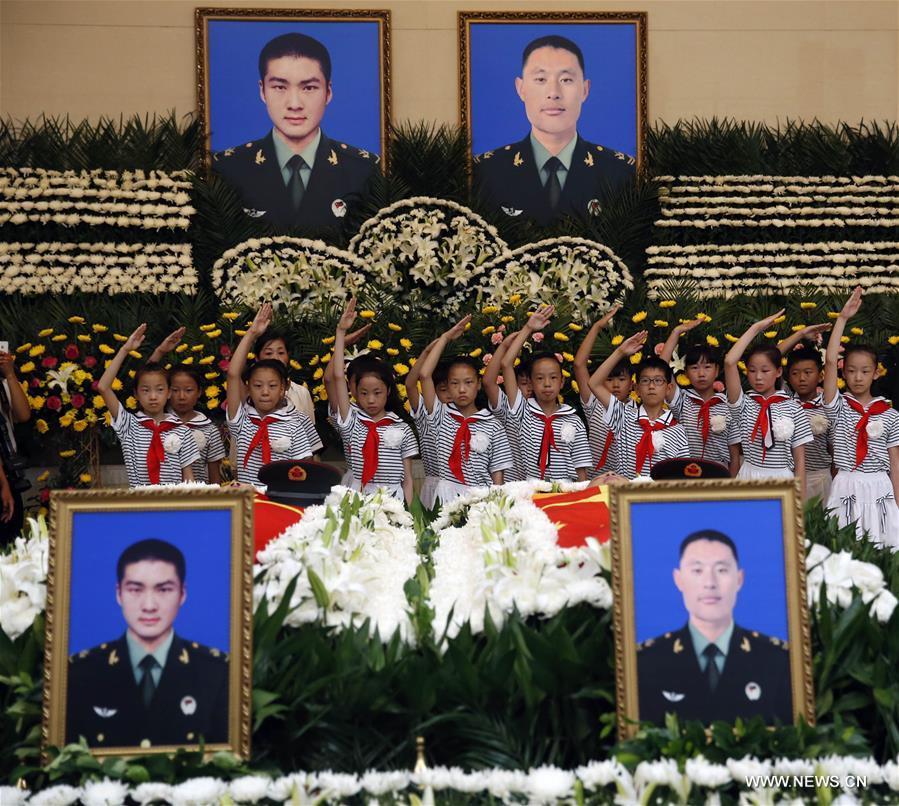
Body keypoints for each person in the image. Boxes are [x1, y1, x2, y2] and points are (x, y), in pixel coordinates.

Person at [66, 539, 228, 748]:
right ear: (119, 594)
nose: (149, 606)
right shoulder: (80, 673)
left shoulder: (216, 673)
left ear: (182, 594)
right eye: (135, 590)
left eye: (163, 590)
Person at [212, 32, 378, 233]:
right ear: (262, 91)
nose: (294, 104)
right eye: (279, 87)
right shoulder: (228, 168)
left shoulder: (363, 170)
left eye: (308, 88)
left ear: (328, 92)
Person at [473, 34, 635, 226]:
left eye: (566, 80)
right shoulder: (485, 173)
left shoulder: (620, 173)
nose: (553, 93)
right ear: (521, 88)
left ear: (585, 89)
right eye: (541, 79)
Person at [637, 529, 792, 725]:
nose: (710, 583)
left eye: (721, 570)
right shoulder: (647, 662)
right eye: (697, 570)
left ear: (739, 579)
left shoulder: (777, 660)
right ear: (678, 579)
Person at [823, 288, 899, 546]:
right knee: (845, 546)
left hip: (880, 486)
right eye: (852, 371)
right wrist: (842, 319)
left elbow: (895, 464)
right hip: (847, 483)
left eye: (864, 371)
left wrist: (897, 504)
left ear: (876, 374)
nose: (857, 377)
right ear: (845, 374)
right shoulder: (839, 407)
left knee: (884, 547)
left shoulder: (890, 415)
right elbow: (831, 361)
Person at [415, 318, 513, 503]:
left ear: (478, 385)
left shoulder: (493, 425)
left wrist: (495, 504)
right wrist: (445, 338)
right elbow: (424, 375)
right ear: (448, 387)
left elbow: (497, 472)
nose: (461, 389)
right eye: (454, 383)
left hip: (481, 497)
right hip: (446, 496)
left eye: (468, 382)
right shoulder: (440, 416)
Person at [333, 297, 418, 503]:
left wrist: (411, 513)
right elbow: (337, 377)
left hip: (393, 498)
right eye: (364, 393)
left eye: (377, 392)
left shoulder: (401, 428)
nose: (370, 399)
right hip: (359, 494)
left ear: (388, 391)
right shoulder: (352, 421)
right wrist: (340, 333)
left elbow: (407, 479)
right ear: (355, 392)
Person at [492, 305, 592, 482]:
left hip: (565, 493)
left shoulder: (574, 420)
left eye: (553, 378)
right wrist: (528, 328)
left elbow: (581, 468)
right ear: (530, 383)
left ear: (562, 382)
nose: (547, 384)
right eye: (539, 378)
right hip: (528, 494)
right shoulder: (521, 411)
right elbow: (507, 363)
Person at [226, 304, 322, 487]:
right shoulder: (242, 420)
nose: (264, 392)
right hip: (248, 498)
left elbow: (306, 464)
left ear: (282, 389)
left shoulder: (295, 423)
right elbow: (233, 374)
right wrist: (252, 333)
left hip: (281, 498)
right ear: (248, 388)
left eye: (272, 386)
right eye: (257, 386)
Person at [97, 326, 200, 487]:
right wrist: (125, 349)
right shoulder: (129, 425)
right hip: (138, 506)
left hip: (173, 506)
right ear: (136, 394)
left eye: (159, 390)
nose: (153, 396)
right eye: (145, 390)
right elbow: (103, 387)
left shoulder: (182, 430)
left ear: (168, 393)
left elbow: (188, 478)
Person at [724, 312, 813, 490]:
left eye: (765, 371)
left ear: (778, 372)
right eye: (752, 370)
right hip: (748, 477)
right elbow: (729, 361)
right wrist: (755, 328)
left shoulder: (794, 408)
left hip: (782, 480)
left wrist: (800, 502)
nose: (758, 377)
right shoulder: (743, 404)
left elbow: (800, 460)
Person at [588, 332, 690, 480]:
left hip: (659, 500)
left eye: (658, 381)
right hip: (624, 496)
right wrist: (620, 352)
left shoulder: (678, 431)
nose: (651, 386)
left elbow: (682, 477)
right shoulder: (623, 416)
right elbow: (594, 383)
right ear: (636, 388)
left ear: (668, 388)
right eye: (645, 381)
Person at [660, 320, 741, 472]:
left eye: (707, 367)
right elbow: (661, 368)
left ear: (717, 371)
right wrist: (676, 332)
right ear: (686, 373)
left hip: (719, 472)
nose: (701, 373)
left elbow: (734, 454)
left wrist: (731, 488)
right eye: (695, 368)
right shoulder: (682, 400)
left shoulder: (728, 405)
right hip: (687, 470)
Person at [572, 305, 634, 477]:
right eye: (609, 379)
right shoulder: (594, 404)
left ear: (632, 384)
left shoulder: (639, 413)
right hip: (594, 481)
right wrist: (597, 327)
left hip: (625, 483)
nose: (615, 385)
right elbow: (579, 365)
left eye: (621, 380)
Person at [405, 340, 451, 508]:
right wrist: (425, 353)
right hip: (434, 484)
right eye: (443, 390)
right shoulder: (425, 412)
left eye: (451, 387)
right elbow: (410, 385)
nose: (450, 394)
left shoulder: (467, 416)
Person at [0, 347, 31, 542]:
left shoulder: (4, 386)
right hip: (3, 480)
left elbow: (23, 414)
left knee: (10, 540)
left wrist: (10, 374)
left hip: (10, 476)